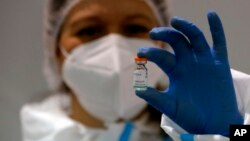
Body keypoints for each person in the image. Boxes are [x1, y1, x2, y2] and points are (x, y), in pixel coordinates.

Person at [20, 0, 250, 141]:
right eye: (89, 30)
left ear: (161, 44)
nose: (114, 44)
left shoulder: (188, 130)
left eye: (135, 27)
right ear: (56, 51)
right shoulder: (39, 134)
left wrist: (232, 132)